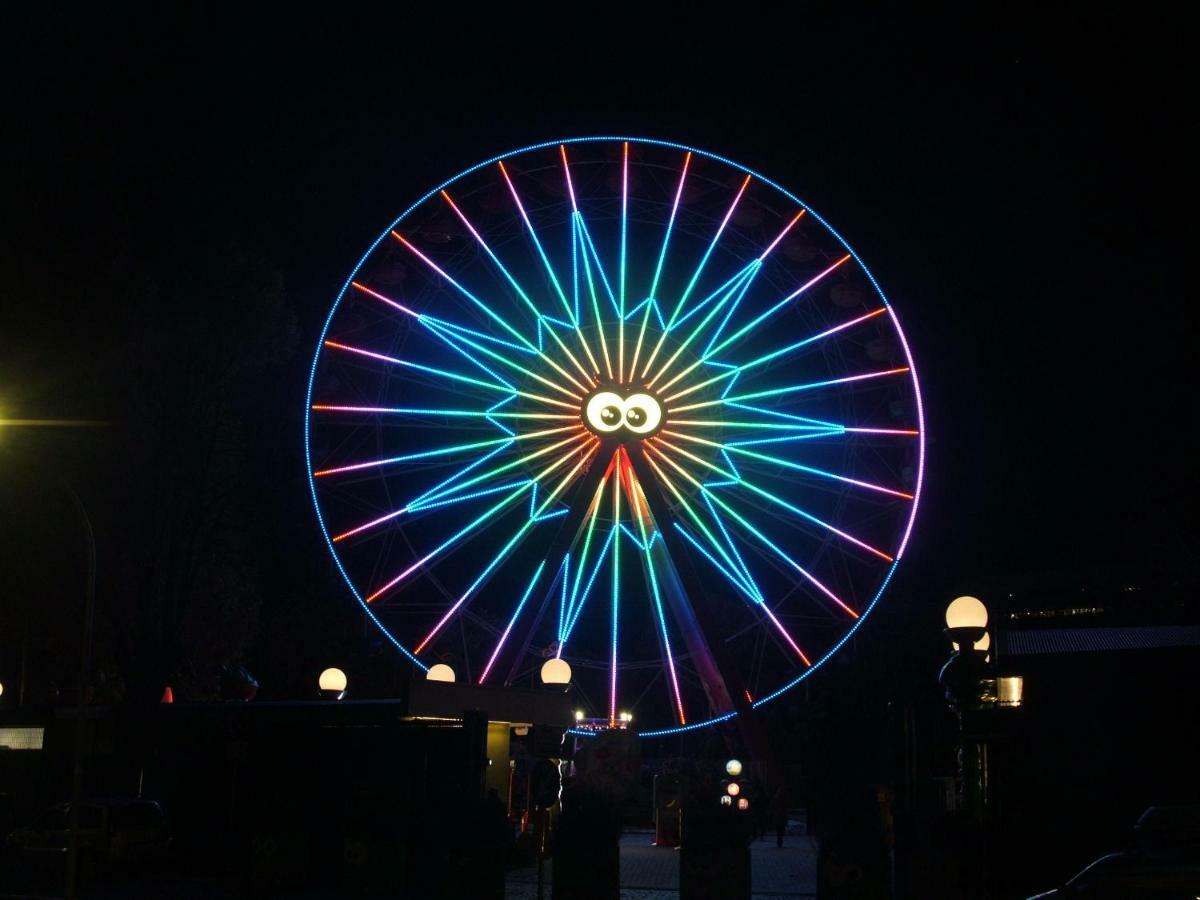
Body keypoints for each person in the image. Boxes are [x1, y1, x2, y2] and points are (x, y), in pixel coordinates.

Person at [769, 784, 788, 848]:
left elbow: (773, 805)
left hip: (779, 815)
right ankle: (780, 840)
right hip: (780, 815)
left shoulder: (777, 798)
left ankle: (779, 840)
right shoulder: (780, 798)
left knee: (779, 828)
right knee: (780, 828)